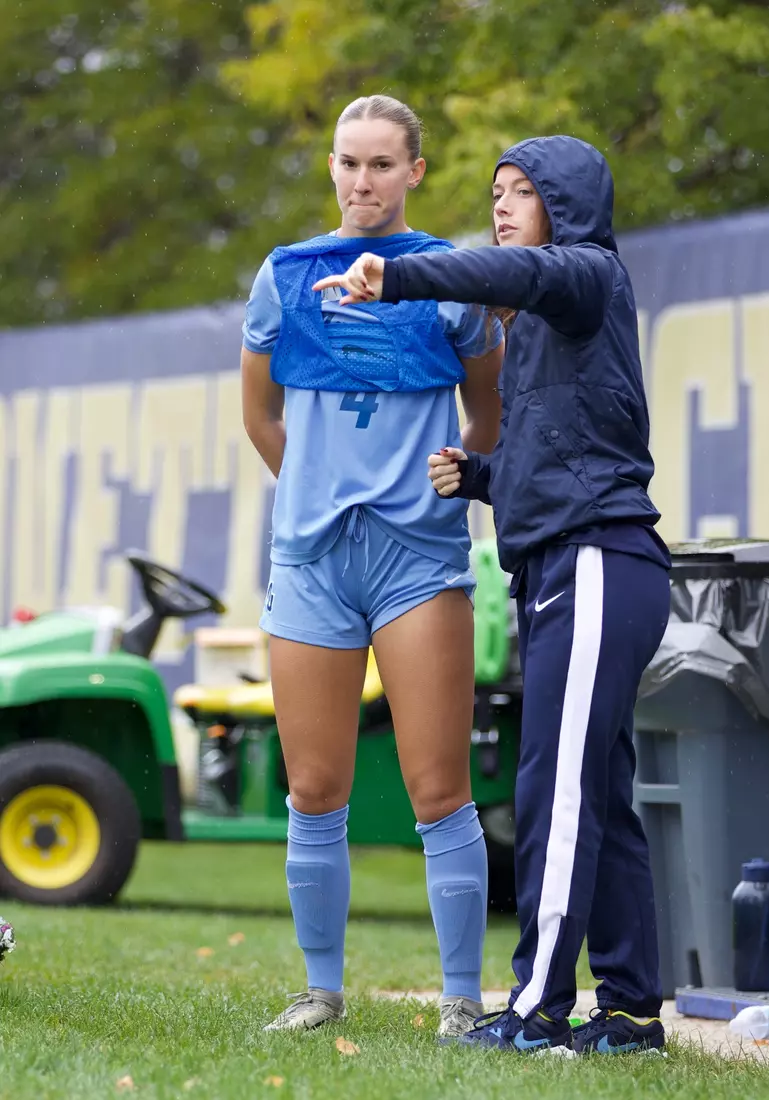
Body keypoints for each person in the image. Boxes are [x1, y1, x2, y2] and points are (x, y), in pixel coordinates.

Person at [313, 134, 672, 1056]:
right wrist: (482, 475)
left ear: (568, 205)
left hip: (596, 562)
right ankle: (629, 1013)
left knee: (553, 791)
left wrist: (393, 277)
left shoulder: (584, 274)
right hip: (569, 562)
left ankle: (536, 1009)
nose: (503, 206)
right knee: (600, 794)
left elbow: (497, 273)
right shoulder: (544, 326)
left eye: (523, 192)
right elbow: (563, 449)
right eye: (496, 192)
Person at [241, 94, 504, 1038]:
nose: (363, 181)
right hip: (309, 557)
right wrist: (317, 489)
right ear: (332, 169)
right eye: (348, 163)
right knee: (313, 791)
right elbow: (261, 417)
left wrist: (455, 478)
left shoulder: (452, 280)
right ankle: (320, 991)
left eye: (382, 164)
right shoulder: (284, 276)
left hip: (419, 559)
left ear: (415, 173)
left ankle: (463, 1002)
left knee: (439, 792)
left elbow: (490, 415)